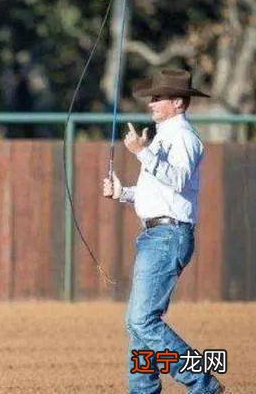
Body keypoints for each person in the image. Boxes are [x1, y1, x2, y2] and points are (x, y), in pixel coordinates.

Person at [102, 69, 224, 394]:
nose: (151, 104)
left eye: (158, 98)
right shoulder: (163, 138)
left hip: (167, 236)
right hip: (159, 234)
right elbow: (158, 195)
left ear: (179, 103)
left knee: (142, 321)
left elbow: (178, 180)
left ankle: (203, 384)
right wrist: (122, 193)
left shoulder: (184, 137)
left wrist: (141, 153)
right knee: (138, 323)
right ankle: (144, 390)